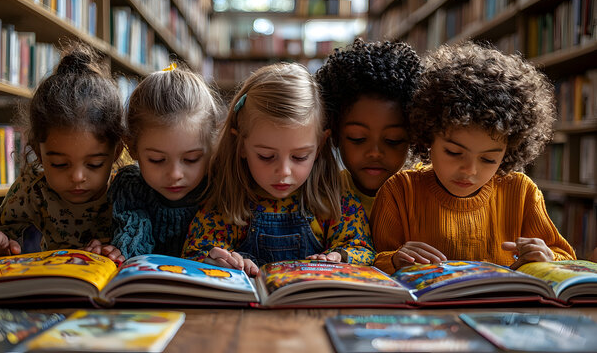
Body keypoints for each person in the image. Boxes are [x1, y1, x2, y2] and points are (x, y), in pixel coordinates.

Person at [370, 42, 576, 274]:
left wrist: (547, 257)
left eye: (488, 160)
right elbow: (375, 262)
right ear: (427, 137)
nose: (469, 170)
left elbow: (565, 259)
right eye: (454, 153)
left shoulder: (521, 192)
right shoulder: (400, 191)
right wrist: (395, 259)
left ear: (509, 152)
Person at [182, 63, 375, 276]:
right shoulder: (226, 201)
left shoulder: (334, 199)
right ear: (241, 146)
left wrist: (340, 256)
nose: (283, 171)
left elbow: (363, 249)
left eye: (299, 157)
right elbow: (193, 253)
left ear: (319, 146)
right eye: (266, 156)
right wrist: (216, 260)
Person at [0, 42, 125, 264]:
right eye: (59, 164)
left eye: (94, 164)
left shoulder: (128, 189)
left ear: (116, 152)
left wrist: (120, 248)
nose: (77, 177)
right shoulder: (33, 188)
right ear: (38, 152)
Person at [110, 63, 223, 259]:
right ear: (131, 147)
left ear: (213, 147)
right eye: (157, 160)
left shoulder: (220, 190)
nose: (174, 174)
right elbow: (133, 241)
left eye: (191, 159)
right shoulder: (130, 190)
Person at [314, 38, 423, 217]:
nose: (375, 153)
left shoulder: (425, 196)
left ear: (413, 137)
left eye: (393, 140)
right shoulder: (321, 197)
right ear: (334, 133)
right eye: (357, 138)